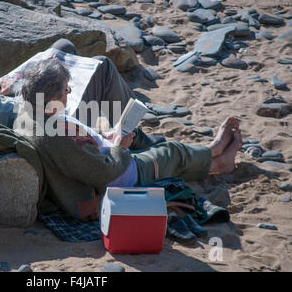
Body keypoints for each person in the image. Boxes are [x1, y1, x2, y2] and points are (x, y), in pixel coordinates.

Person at [17, 59, 242, 221]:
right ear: (54, 97)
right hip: (112, 180)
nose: (69, 93)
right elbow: (103, 172)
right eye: (67, 89)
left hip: (97, 163)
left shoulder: (31, 114)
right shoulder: (57, 135)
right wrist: (120, 147)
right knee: (170, 153)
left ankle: (215, 159)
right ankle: (217, 155)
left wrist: (102, 137)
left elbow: (80, 150)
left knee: (162, 154)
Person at [0, 39, 164, 149]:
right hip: (57, 123)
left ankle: (123, 126)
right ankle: (134, 135)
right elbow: (37, 106)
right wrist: (14, 86)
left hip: (7, 100)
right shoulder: (7, 112)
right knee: (102, 66)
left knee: (62, 47)